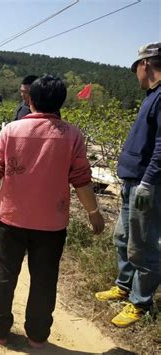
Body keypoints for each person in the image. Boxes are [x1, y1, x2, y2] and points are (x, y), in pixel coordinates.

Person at [0, 75, 104, 348]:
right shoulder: (72, 135)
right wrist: (93, 212)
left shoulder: (12, 130)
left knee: (5, 274)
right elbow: (81, 179)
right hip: (52, 224)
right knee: (44, 279)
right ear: (60, 102)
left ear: (30, 99)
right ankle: (37, 334)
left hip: (12, 219)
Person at [95, 42, 161, 327]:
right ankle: (123, 286)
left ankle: (140, 302)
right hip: (131, 182)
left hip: (146, 186)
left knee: (143, 245)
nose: (136, 74)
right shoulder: (152, 96)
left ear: (145, 64)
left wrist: (148, 182)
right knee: (123, 238)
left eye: (136, 68)